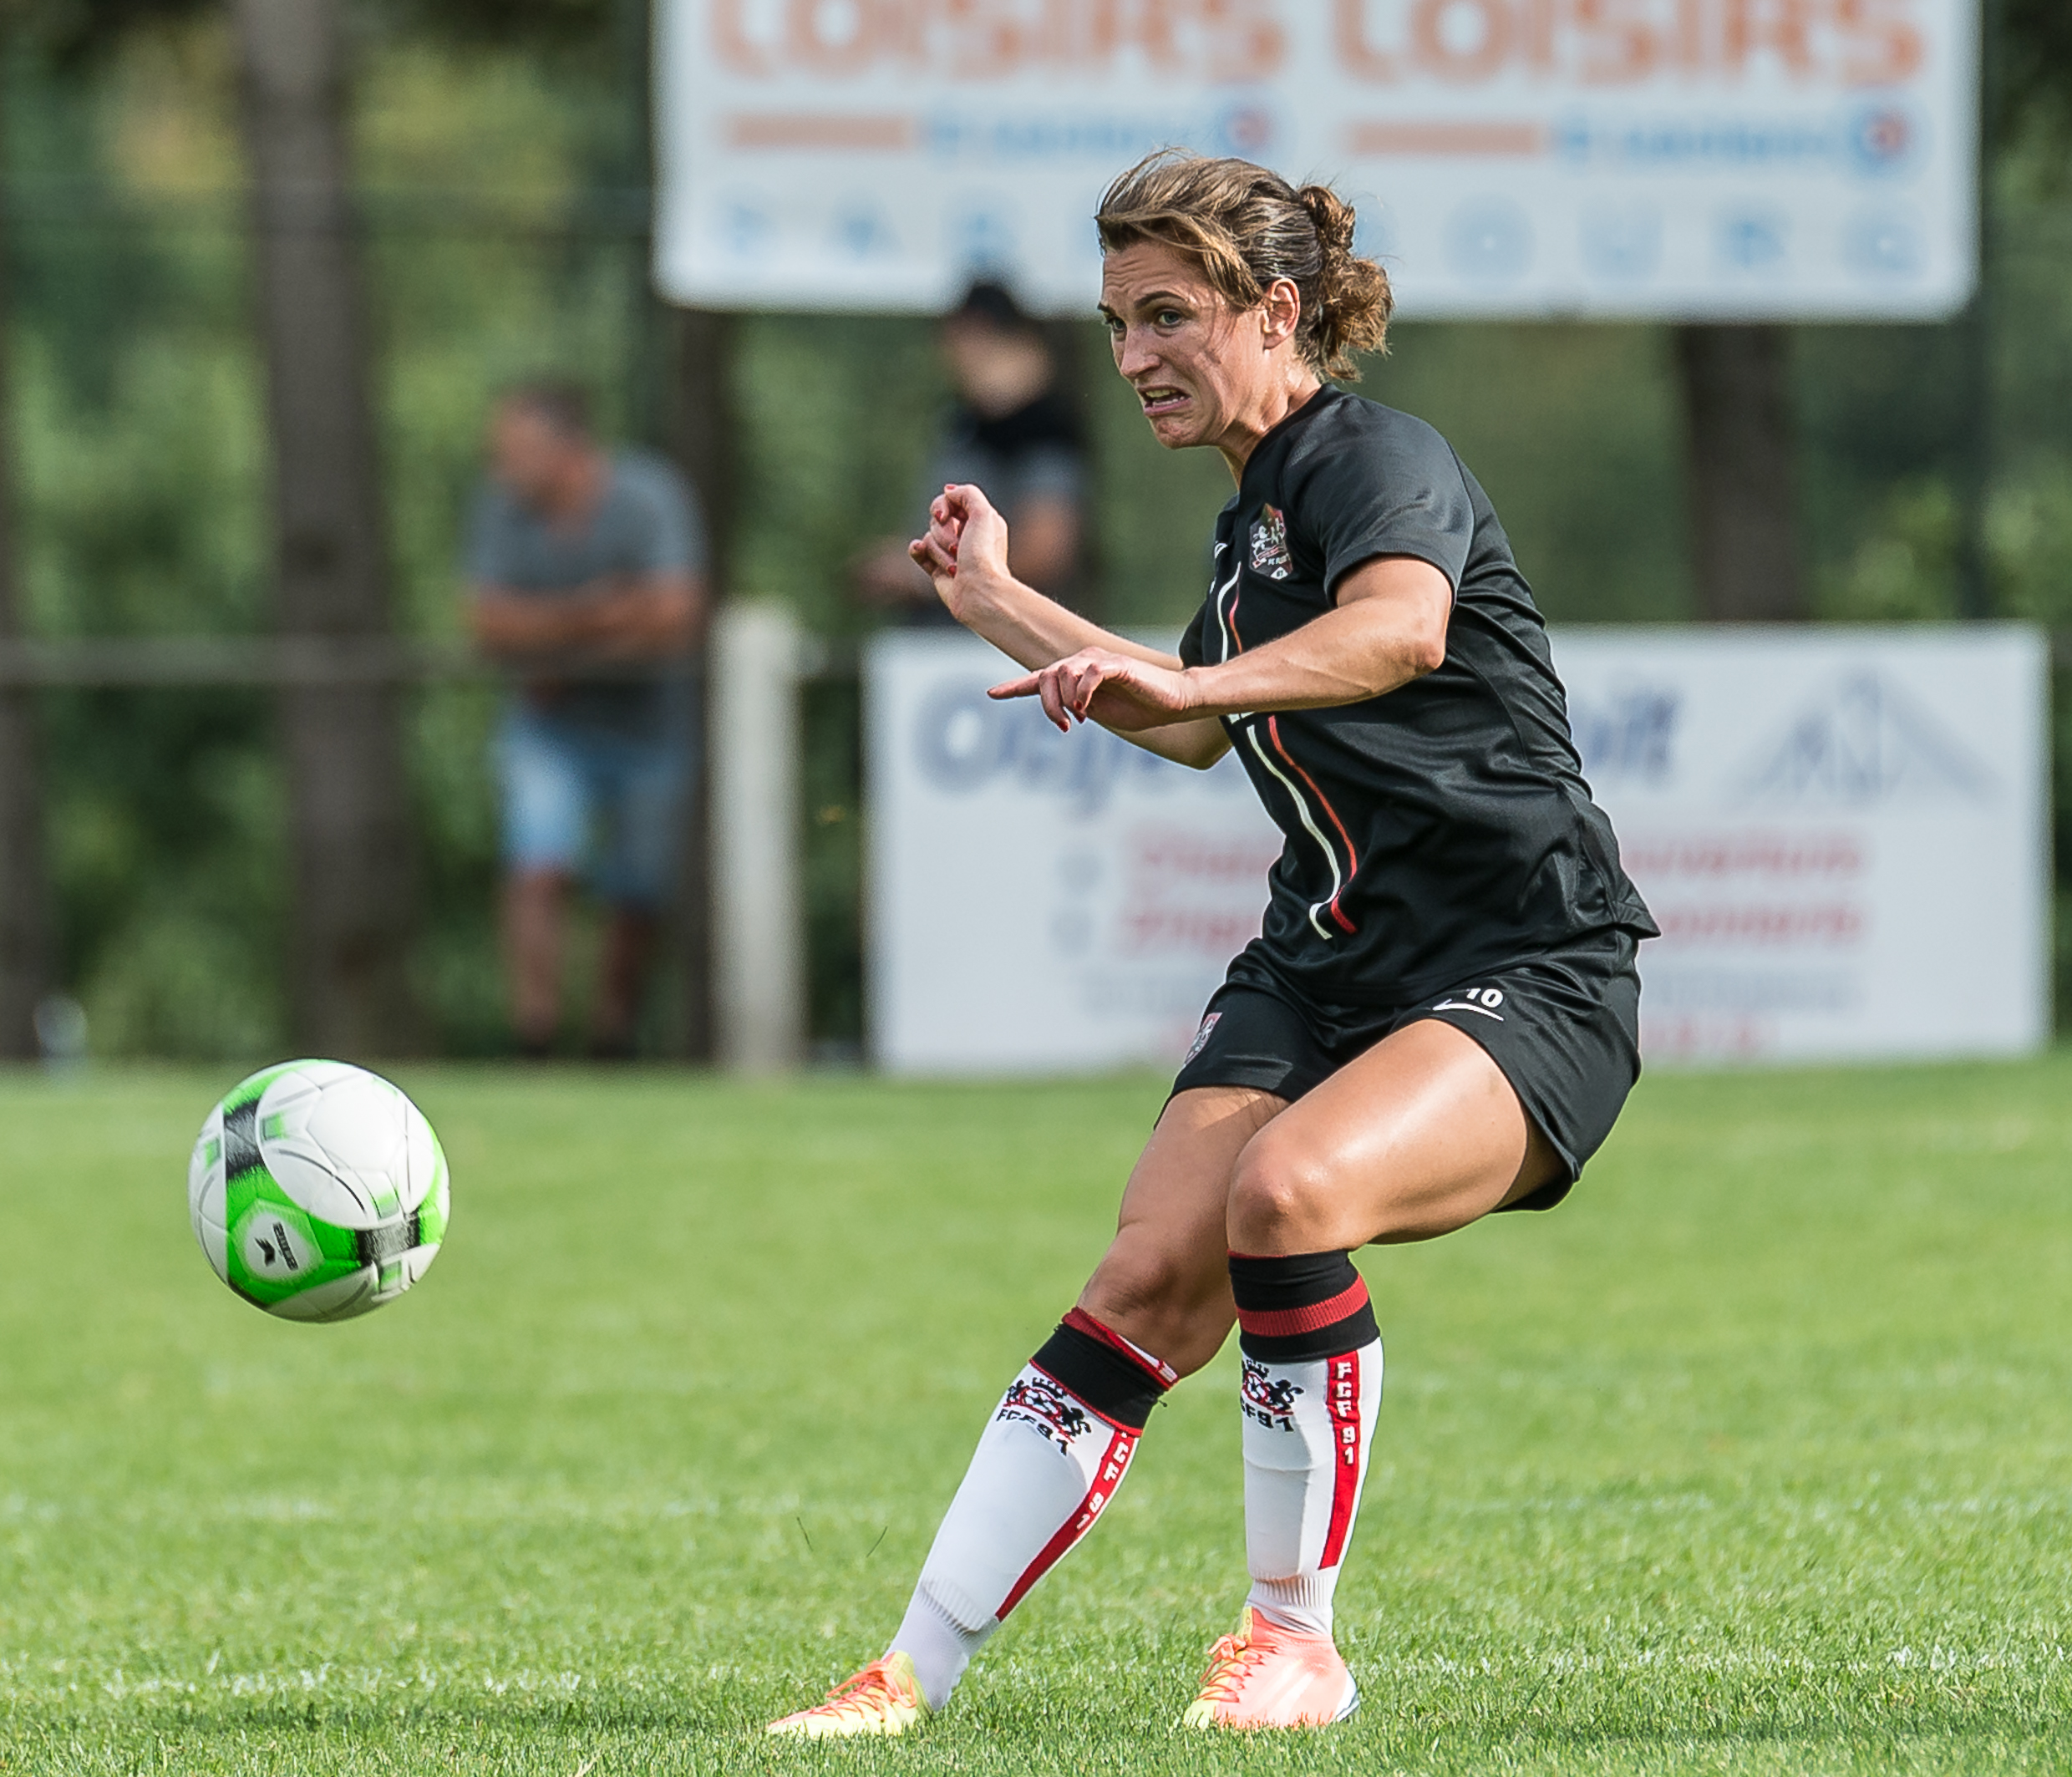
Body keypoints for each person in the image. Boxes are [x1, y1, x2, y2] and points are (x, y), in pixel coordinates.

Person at [767, 150, 1658, 1738]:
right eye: (1117, 325)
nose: (1133, 359)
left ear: (1278, 309)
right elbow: (1180, 719)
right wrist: (1002, 604)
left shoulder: (1374, 455)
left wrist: (1189, 687)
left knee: (1287, 1196)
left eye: (1168, 315)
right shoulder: (1250, 527)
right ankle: (907, 1670)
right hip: (1325, 964)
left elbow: (1400, 630)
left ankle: (1292, 1643)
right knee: (1145, 1277)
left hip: (1528, 964)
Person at [465, 382, 708, 1059]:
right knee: (537, 866)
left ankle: (611, 1039)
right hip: (549, 728)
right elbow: (486, 620)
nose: (501, 468)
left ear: (564, 449)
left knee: (636, 892)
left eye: (514, 453)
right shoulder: (501, 509)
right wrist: (598, 613)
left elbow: (674, 613)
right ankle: (535, 1036)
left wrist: (557, 650)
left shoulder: (649, 497)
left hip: (649, 731)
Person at [852, 280, 1088, 622]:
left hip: (1005, 641)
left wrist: (925, 575)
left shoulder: (1043, 431)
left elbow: (1046, 551)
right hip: (947, 636)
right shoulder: (966, 422)